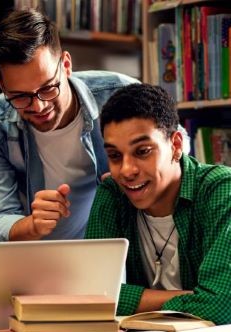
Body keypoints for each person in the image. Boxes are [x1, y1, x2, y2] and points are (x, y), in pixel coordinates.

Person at [0, 9, 139, 242]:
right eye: (20, 96)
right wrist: (32, 225)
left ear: (66, 65)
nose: (38, 107)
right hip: (36, 260)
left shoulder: (121, 94)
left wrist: (136, 180)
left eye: (48, 88)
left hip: (123, 250)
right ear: (0, 84)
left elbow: (175, 153)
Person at [85, 84, 231, 324]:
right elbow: (91, 295)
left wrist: (130, 299)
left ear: (175, 145)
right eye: (114, 156)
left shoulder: (222, 189)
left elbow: (222, 304)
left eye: (142, 151)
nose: (126, 170)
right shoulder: (112, 194)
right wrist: (190, 297)